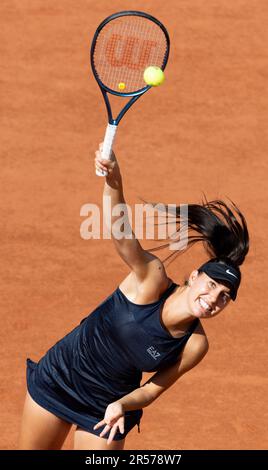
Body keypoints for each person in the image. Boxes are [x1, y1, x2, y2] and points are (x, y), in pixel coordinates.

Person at [18, 146, 249, 450]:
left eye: (224, 297)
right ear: (194, 276)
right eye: (211, 285)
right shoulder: (151, 279)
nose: (212, 299)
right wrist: (113, 179)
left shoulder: (195, 344)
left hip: (106, 408)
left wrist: (122, 405)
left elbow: (152, 389)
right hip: (60, 377)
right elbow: (120, 232)